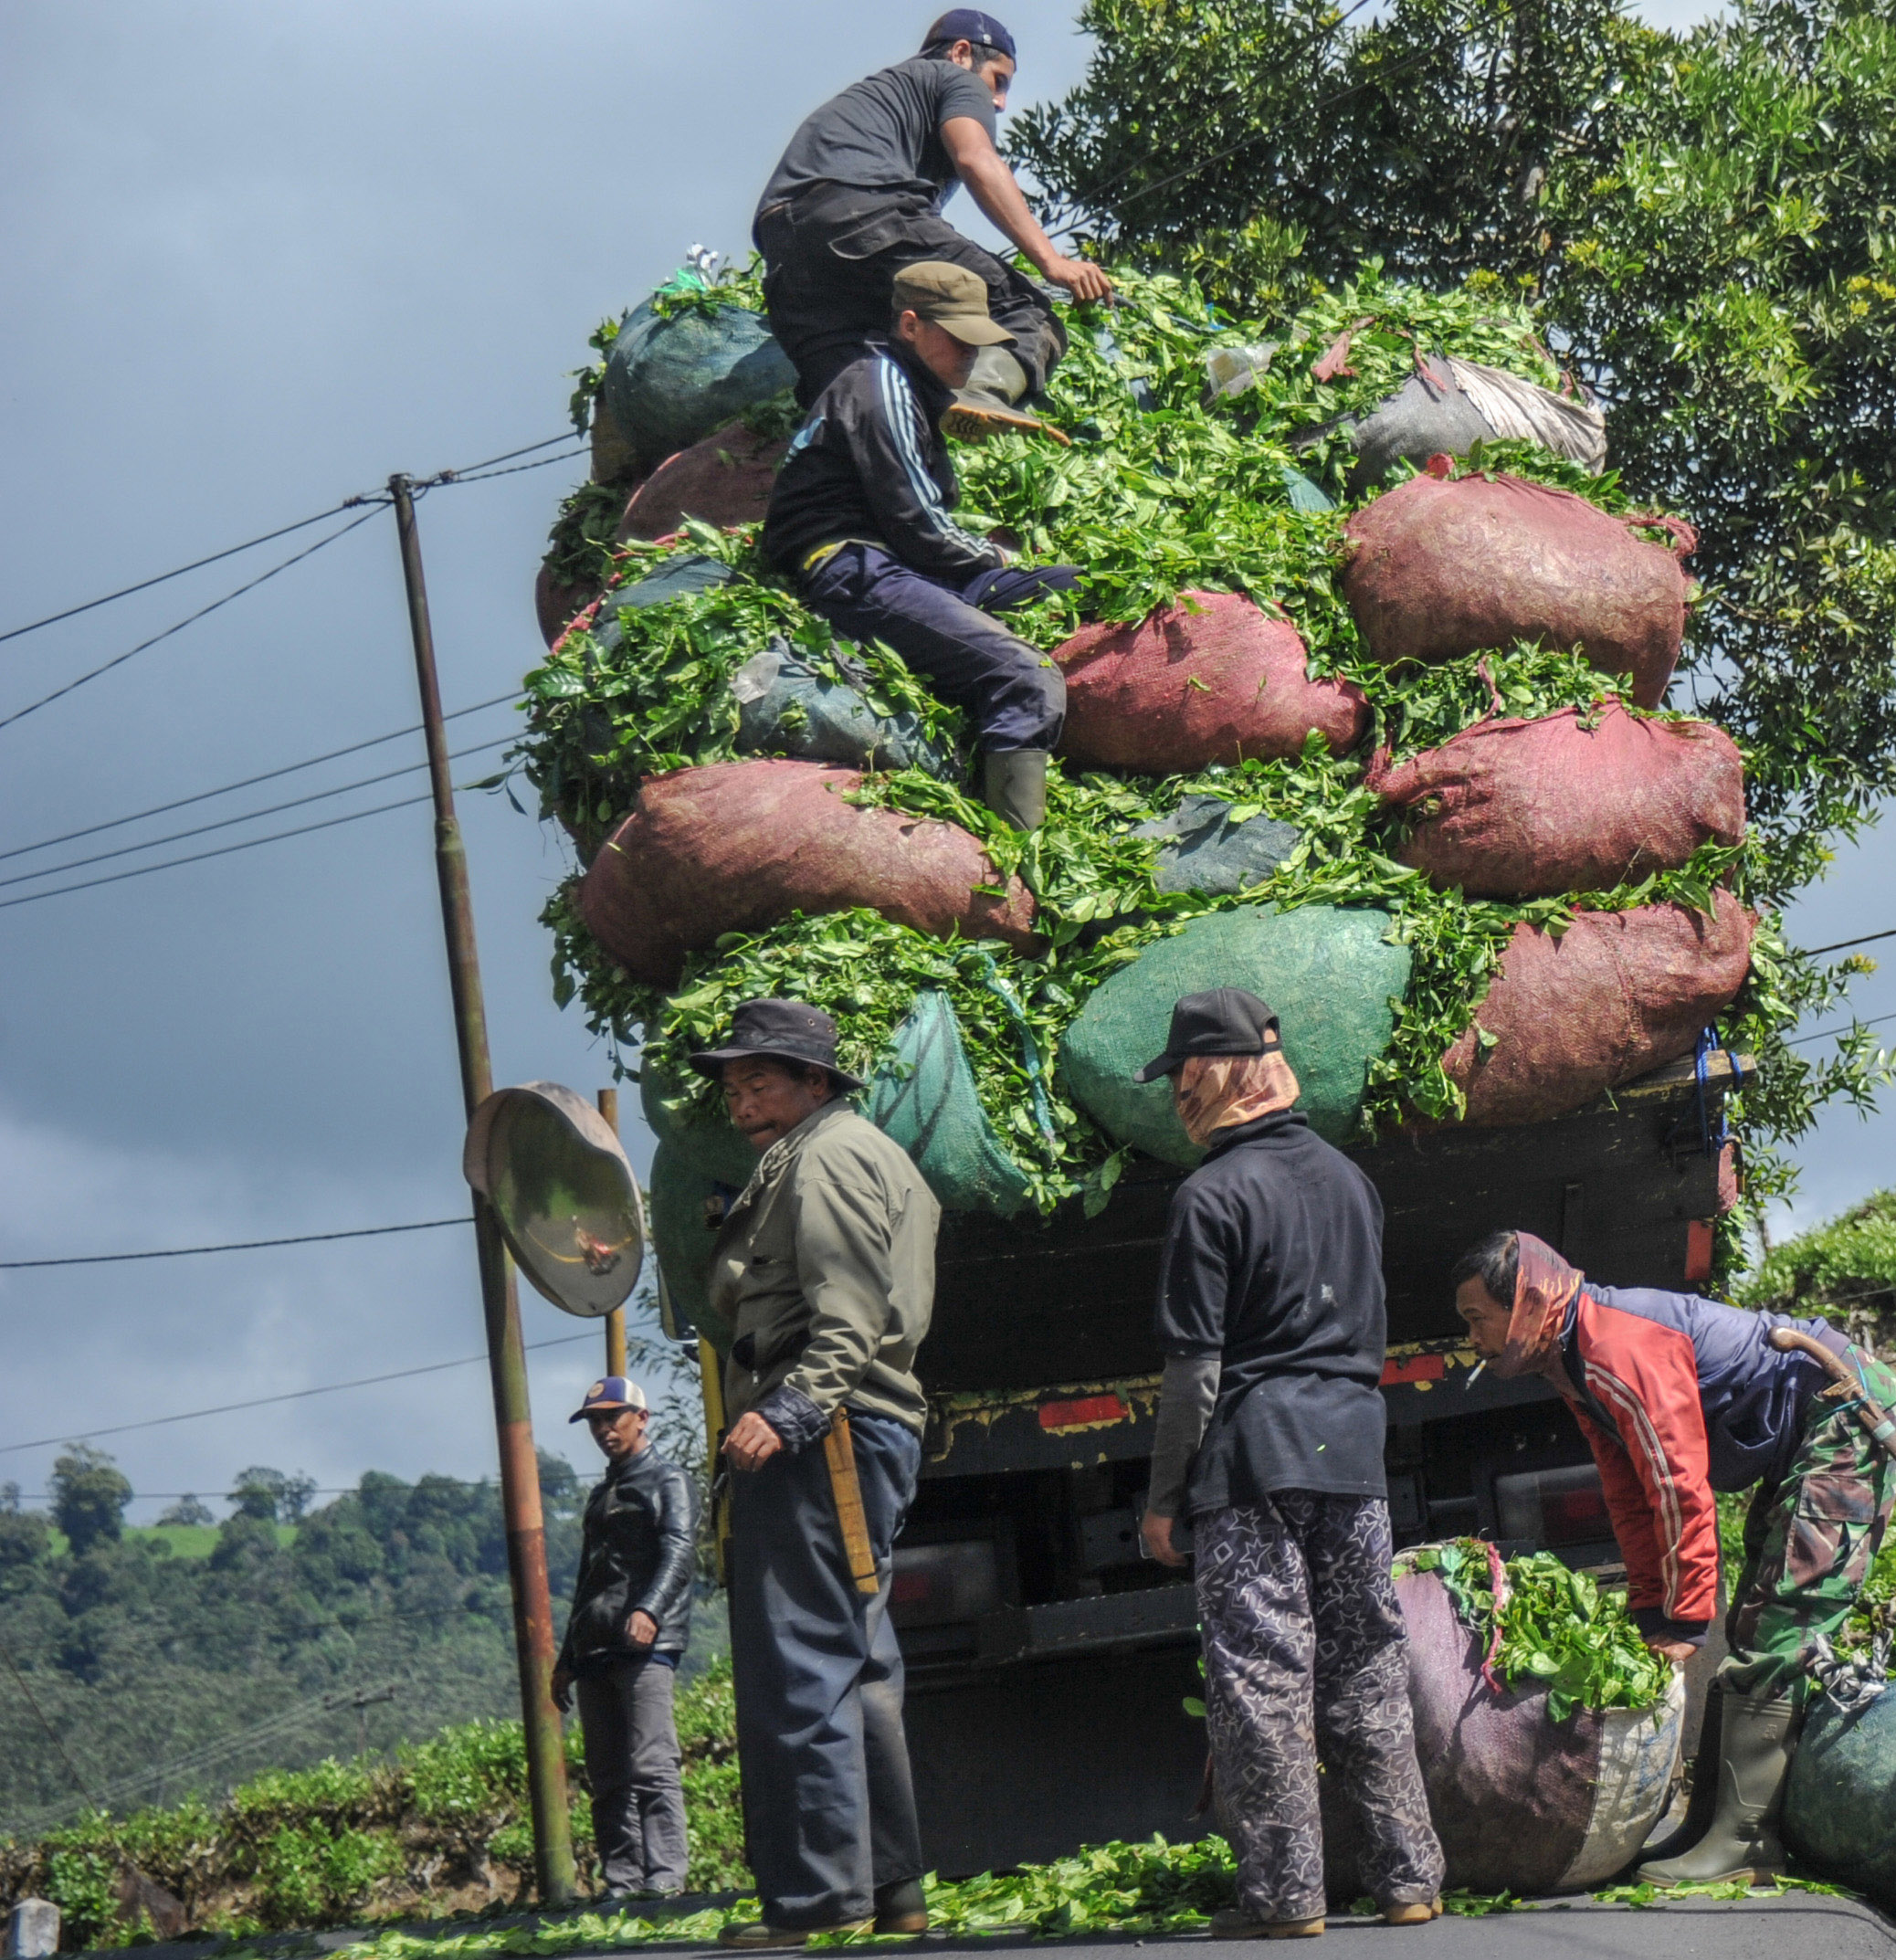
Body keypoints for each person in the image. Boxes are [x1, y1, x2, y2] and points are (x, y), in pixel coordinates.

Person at [1448, 1229, 1896, 1885]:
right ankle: (1710, 1824)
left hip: (1843, 1409)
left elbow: (1675, 1483)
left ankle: (1748, 1842)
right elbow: (1628, 1492)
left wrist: (1689, 1617)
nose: (1472, 1339)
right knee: (1753, 1622)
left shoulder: (1614, 1345)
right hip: (1801, 1435)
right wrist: (1648, 1609)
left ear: (1524, 1302)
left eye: (1476, 1320)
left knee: (1786, 1621)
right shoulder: (1572, 1360)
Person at [1129, 989, 1443, 1936]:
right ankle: (1409, 1881)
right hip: (1352, 1452)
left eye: (1183, 1080)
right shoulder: (1351, 1179)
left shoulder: (1209, 1197)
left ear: (1218, 1074)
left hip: (1253, 1462)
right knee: (1367, 1667)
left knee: (1263, 1681)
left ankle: (1286, 1898)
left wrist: (1162, 1501)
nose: (1176, 1101)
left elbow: (1195, 1375)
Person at [698, 999, 939, 1948]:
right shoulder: (833, 1153)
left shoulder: (829, 1156)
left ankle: (813, 1905)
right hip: (857, 1430)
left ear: (814, 1083)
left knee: (800, 1664)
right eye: (732, 1086)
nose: (742, 1098)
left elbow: (850, 1314)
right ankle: (893, 1894)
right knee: (859, 1659)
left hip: (823, 1434)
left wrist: (789, 1410)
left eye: (760, 1079)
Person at [753, 262, 1080, 830]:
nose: (972, 355)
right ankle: (1015, 858)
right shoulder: (880, 385)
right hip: (854, 570)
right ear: (910, 325)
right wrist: (999, 557)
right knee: (1026, 678)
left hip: (912, 570)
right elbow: (919, 524)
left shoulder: (915, 392)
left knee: (1075, 583)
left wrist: (1014, 566)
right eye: (959, 340)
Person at [751, 9, 1112, 431]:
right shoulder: (953, 79)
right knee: (1022, 309)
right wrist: (1051, 262)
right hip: (861, 211)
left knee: (853, 393)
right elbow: (976, 159)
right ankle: (979, 397)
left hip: (783, 255)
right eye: (999, 80)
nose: (1000, 101)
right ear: (961, 52)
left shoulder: (881, 99)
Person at [558, 1375, 697, 1900]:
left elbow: (681, 1552)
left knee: (651, 1763)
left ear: (641, 1418)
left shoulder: (669, 1481)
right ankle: (622, 1880)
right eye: (594, 1420)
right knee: (607, 1774)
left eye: (612, 1417)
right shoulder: (601, 1495)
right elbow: (587, 1577)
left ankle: (665, 1876)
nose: (602, 1429)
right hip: (595, 1647)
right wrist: (566, 1658)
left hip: (645, 1645)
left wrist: (650, 1609)